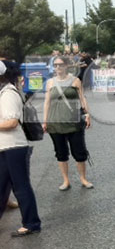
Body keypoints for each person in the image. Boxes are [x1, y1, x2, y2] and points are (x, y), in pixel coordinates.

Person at [0, 60, 42, 237]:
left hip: (14, 147)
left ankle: (31, 223)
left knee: (21, 186)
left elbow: (11, 122)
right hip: (4, 147)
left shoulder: (8, 94)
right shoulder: (3, 92)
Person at [43, 56, 93, 190]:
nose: (58, 67)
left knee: (79, 152)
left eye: (60, 64)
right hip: (55, 122)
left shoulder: (75, 81)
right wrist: (45, 120)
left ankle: (83, 179)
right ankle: (66, 180)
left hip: (74, 122)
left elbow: (82, 98)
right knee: (61, 153)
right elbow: (47, 102)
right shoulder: (50, 82)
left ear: (66, 66)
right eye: (55, 65)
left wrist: (87, 114)